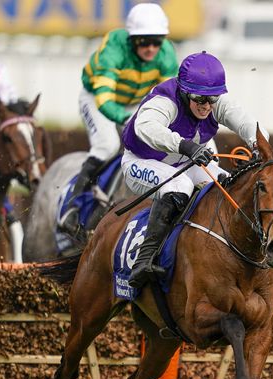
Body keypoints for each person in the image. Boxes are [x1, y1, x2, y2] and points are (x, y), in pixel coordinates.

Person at [121, 51, 268, 289]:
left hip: (181, 164)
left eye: (212, 99)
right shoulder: (165, 100)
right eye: (200, 99)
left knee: (225, 181)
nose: (207, 106)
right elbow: (145, 126)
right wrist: (186, 146)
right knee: (180, 186)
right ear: (184, 91)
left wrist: (259, 146)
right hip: (139, 162)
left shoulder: (213, 102)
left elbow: (249, 124)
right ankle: (144, 260)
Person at [58, 2, 178, 236]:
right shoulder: (114, 46)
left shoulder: (167, 53)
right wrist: (128, 118)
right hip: (96, 97)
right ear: (132, 38)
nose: (151, 48)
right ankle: (71, 207)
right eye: (145, 41)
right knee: (108, 144)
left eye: (157, 41)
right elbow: (105, 99)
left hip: (134, 101)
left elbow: (169, 97)